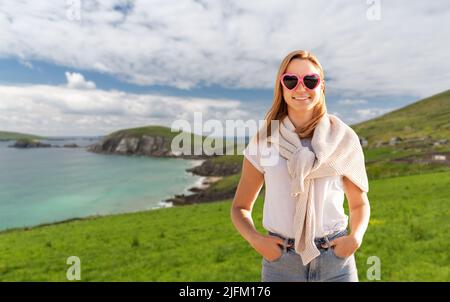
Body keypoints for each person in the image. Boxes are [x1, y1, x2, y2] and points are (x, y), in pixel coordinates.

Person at [230, 50, 370, 282]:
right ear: (281, 86)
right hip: (281, 263)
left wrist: (355, 238)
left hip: (336, 261)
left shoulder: (344, 139)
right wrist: (257, 241)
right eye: (291, 80)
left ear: (322, 86)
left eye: (310, 80)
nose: (301, 88)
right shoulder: (264, 141)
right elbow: (240, 207)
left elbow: (359, 204)